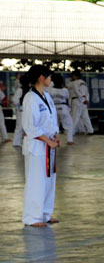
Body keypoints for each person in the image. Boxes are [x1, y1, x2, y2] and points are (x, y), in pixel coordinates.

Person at [19, 65, 60, 227]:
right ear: (41, 78)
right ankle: (32, 217)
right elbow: (30, 126)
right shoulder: (30, 98)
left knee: (49, 181)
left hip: (49, 144)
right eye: (48, 76)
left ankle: (45, 213)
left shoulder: (47, 96)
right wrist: (48, 140)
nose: (50, 79)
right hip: (36, 145)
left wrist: (55, 135)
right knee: (36, 181)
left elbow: (51, 119)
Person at [47, 73, 74, 145]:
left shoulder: (50, 89)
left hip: (53, 108)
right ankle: (70, 140)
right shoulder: (65, 90)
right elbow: (67, 99)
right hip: (63, 108)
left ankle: (54, 139)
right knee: (69, 124)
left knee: (55, 125)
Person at [68, 70, 93, 136]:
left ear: (75, 76)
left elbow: (77, 91)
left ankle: (72, 131)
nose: (72, 77)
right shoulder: (83, 82)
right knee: (85, 116)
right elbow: (87, 93)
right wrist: (86, 100)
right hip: (84, 101)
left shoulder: (74, 82)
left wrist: (82, 100)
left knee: (75, 117)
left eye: (73, 75)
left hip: (77, 100)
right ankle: (90, 130)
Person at [12, 74, 25, 148]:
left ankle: (16, 142)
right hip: (26, 110)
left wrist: (18, 104)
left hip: (21, 109)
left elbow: (14, 100)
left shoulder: (20, 89)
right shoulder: (31, 89)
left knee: (19, 127)